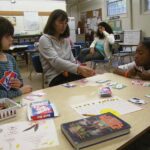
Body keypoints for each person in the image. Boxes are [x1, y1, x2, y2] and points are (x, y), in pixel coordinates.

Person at [38, 9, 95, 87]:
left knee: (90, 81)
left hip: (69, 72)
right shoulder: (44, 39)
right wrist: (78, 68)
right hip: (55, 77)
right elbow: (55, 61)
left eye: (65, 23)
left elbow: (72, 59)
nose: (64, 26)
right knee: (80, 87)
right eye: (61, 22)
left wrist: (82, 69)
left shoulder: (65, 40)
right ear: (52, 23)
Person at [0, 17, 32, 99]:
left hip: (14, 103)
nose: (11, 39)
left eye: (11, 36)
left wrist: (18, 84)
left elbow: (20, 81)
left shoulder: (10, 58)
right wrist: (20, 91)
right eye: (7, 36)